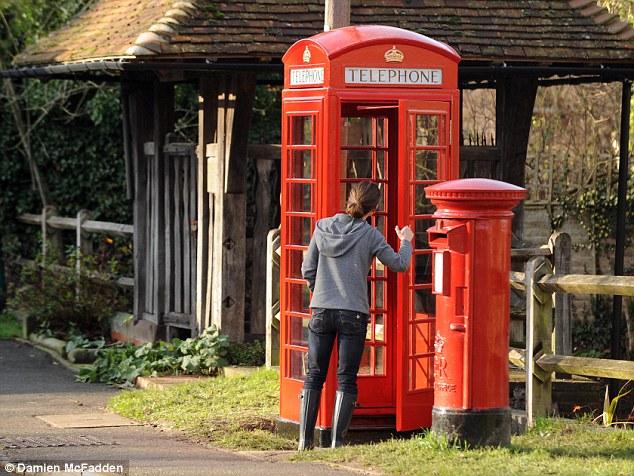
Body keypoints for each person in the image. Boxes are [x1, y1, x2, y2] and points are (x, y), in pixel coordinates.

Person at [299, 181, 414, 450]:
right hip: (353, 313)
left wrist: (320, 293)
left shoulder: (322, 227)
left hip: (321, 310)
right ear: (374, 209)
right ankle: (337, 443)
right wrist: (406, 241)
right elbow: (400, 263)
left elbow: (307, 268)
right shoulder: (370, 234)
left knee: (314, 374)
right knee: (346, 377)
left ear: (349, 199)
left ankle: (304, 442)